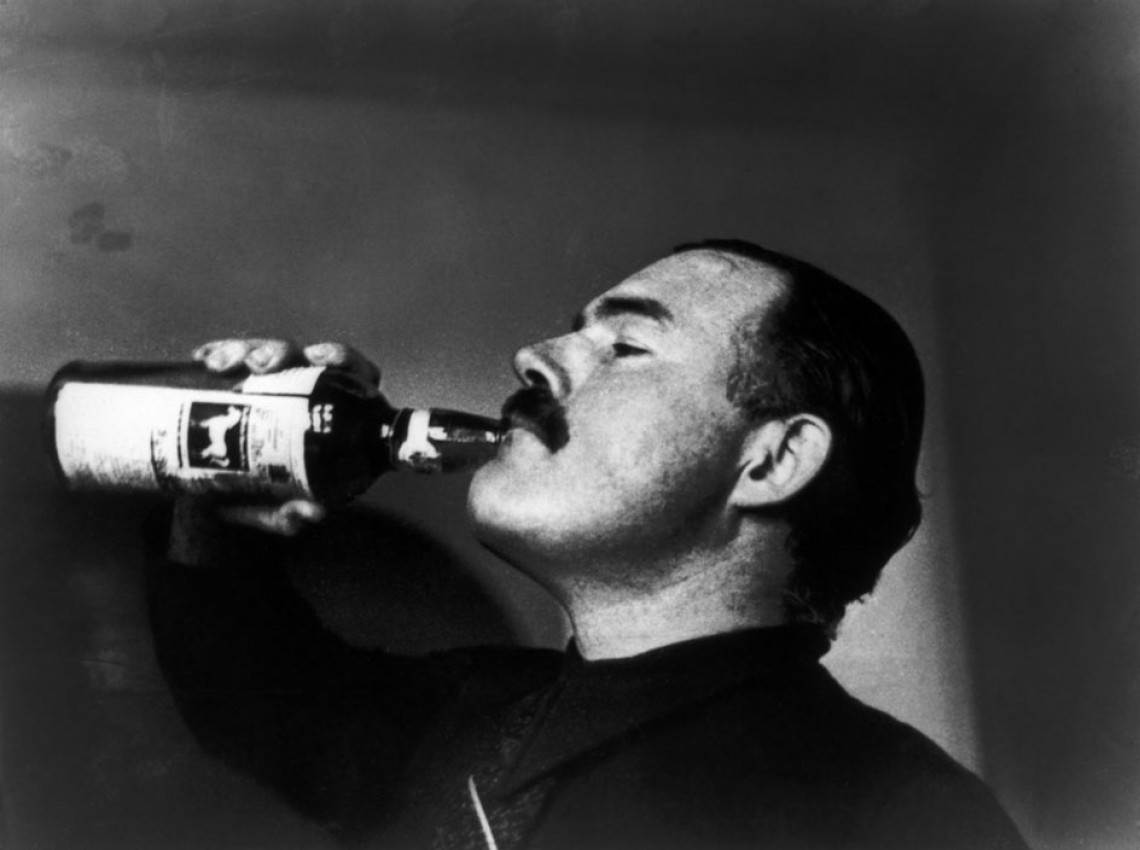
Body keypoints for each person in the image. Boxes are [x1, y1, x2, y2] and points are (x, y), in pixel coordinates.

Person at [148, 240, 1030, 849]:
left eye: (628, 344)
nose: (533, 355)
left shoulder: (900, 813)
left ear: (771, 461)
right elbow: (248, 690)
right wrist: (223, 500)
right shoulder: (465, 708)